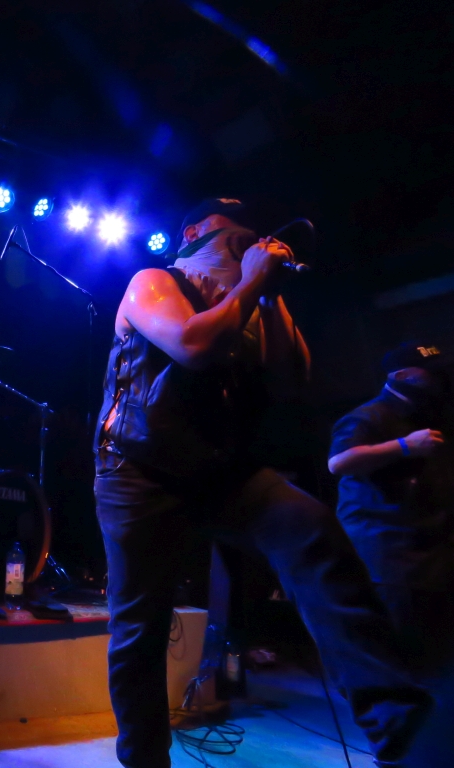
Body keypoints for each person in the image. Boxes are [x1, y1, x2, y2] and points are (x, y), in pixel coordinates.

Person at [93, 197, 431, 768]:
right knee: (140, 625)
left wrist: (268, 293)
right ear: (193, 234)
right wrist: (251, 283)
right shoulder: (153, 282)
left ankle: (404, 734)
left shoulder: (248, 302)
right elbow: (193, 345)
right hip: (138, 471)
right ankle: (144, 760)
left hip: (218, 471)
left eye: (253, 238)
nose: (248, 244)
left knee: (310, 529)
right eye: (233, 235)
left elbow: (293, 377)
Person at [329, 343, 454, 676]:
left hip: (435, 546)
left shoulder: (438, 417)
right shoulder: (369, 416)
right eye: (432, 372)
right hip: (389, 549)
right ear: (403, 375)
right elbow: (339, 462)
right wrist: (403, 447)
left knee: (440, 644)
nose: (441, 378)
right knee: (401, 646)